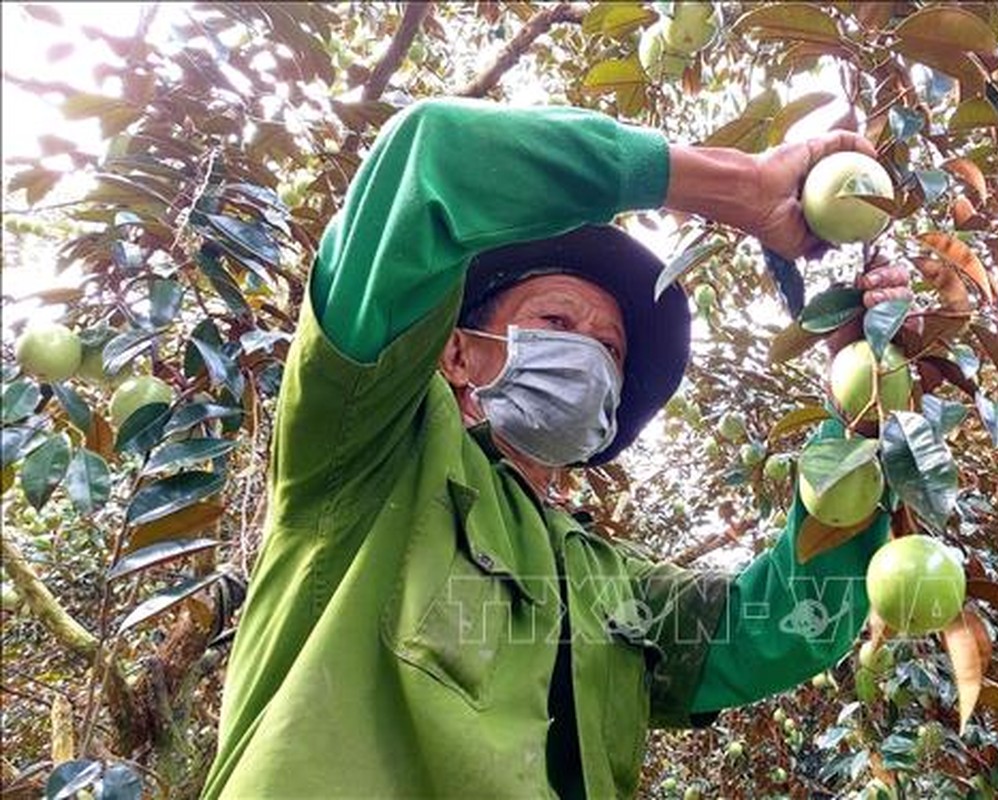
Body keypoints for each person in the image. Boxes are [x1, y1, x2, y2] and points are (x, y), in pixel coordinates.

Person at [201, 98, 912, 799]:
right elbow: (434, 159)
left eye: (609, 347)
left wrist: (860, 405)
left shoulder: (615, 583)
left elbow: (792, 623)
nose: (587, 352)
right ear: (454, 353)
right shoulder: (371, 444)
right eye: (554, 320)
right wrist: (740, 187)